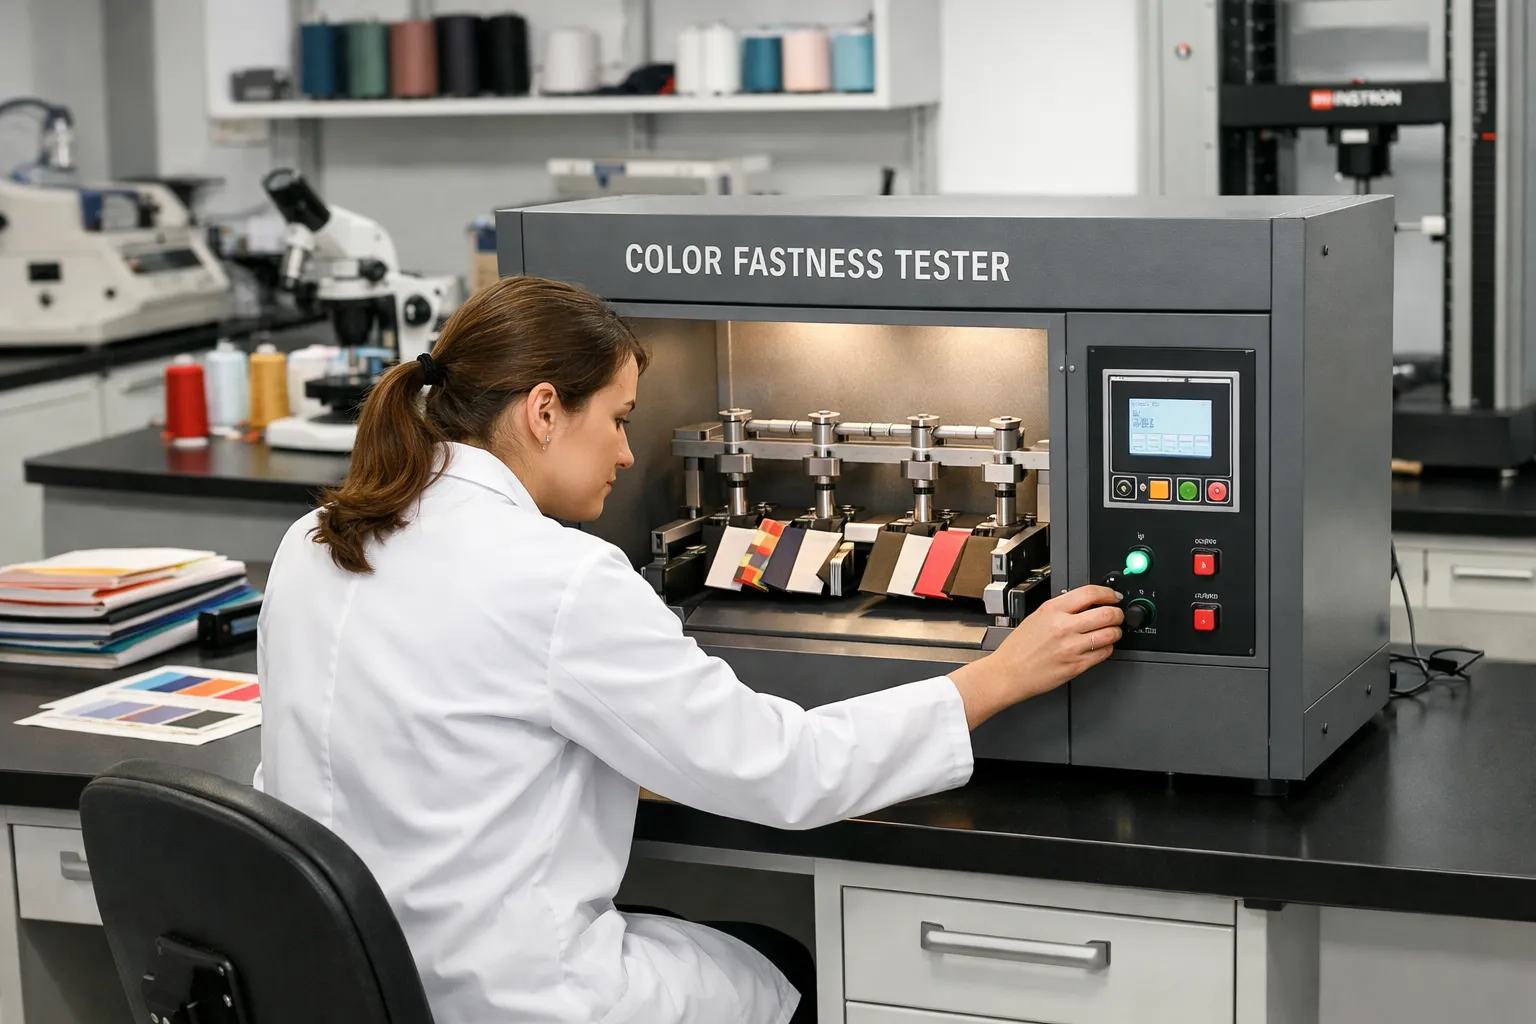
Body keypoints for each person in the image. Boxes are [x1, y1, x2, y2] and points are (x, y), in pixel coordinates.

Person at [255, 276, 1124, 1024]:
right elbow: (789, 773)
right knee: (786, 972)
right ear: (545, 410)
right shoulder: (561, 577)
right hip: (517, 999)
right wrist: (996, 678)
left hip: (351, 985)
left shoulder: (316, 538)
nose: (631, 453)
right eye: (621, 418)